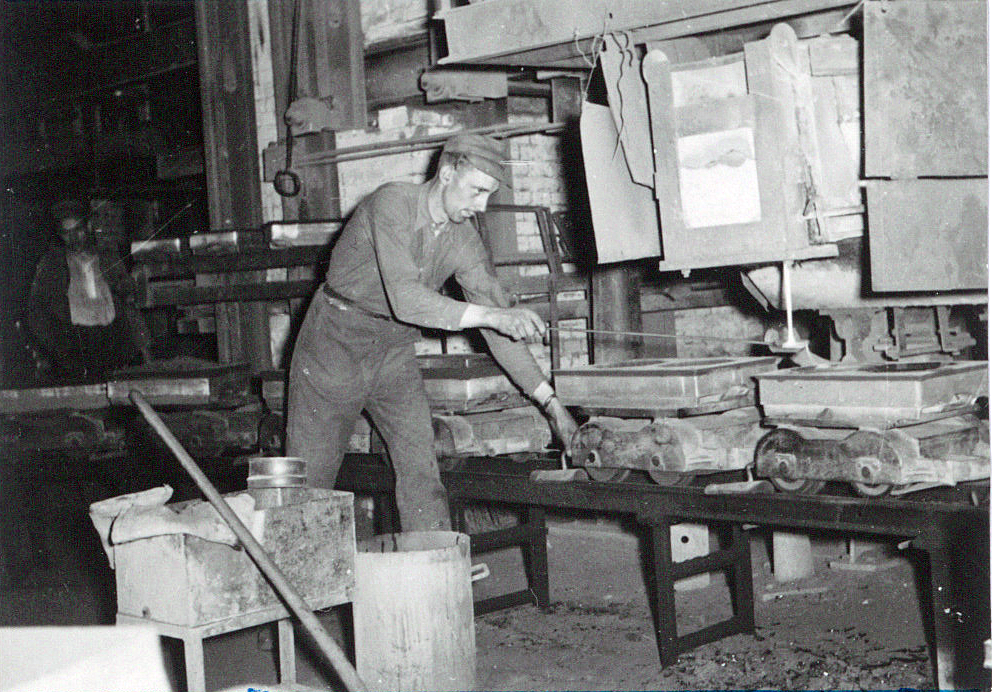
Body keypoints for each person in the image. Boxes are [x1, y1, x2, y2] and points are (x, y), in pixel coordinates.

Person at [287, 133, 579, 531]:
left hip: (392, 350)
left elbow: (499, 327)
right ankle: (297, 568)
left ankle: (434, 563)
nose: (481, 206)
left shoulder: (462, 237)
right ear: (446, 174)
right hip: (335, 344)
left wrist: (552, 405)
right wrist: (493, 316)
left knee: (422, 471)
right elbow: (406, 299)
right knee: (311, 482)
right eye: (477, 191)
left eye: (489, 195)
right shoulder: (392, 204)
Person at [27, 199, 151, 380]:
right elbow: (36, 312)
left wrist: (140, 344)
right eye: (67, 233)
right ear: (60, 235)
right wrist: (58, 350)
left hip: (112, 341)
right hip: (76, 345)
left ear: (88, 226)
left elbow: (128, 302)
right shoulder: (52, 264)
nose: (74, 238)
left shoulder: (107, 257)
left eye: (78, 230)